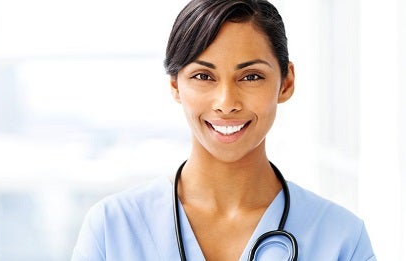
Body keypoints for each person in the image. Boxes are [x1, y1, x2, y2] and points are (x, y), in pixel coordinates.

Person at [71, 0, 376, 260]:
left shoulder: (342, 239)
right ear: (176, 85)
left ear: (286, 82)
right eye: (203, 76)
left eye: (251, 76)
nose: (226, 103)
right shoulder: (112, 229)